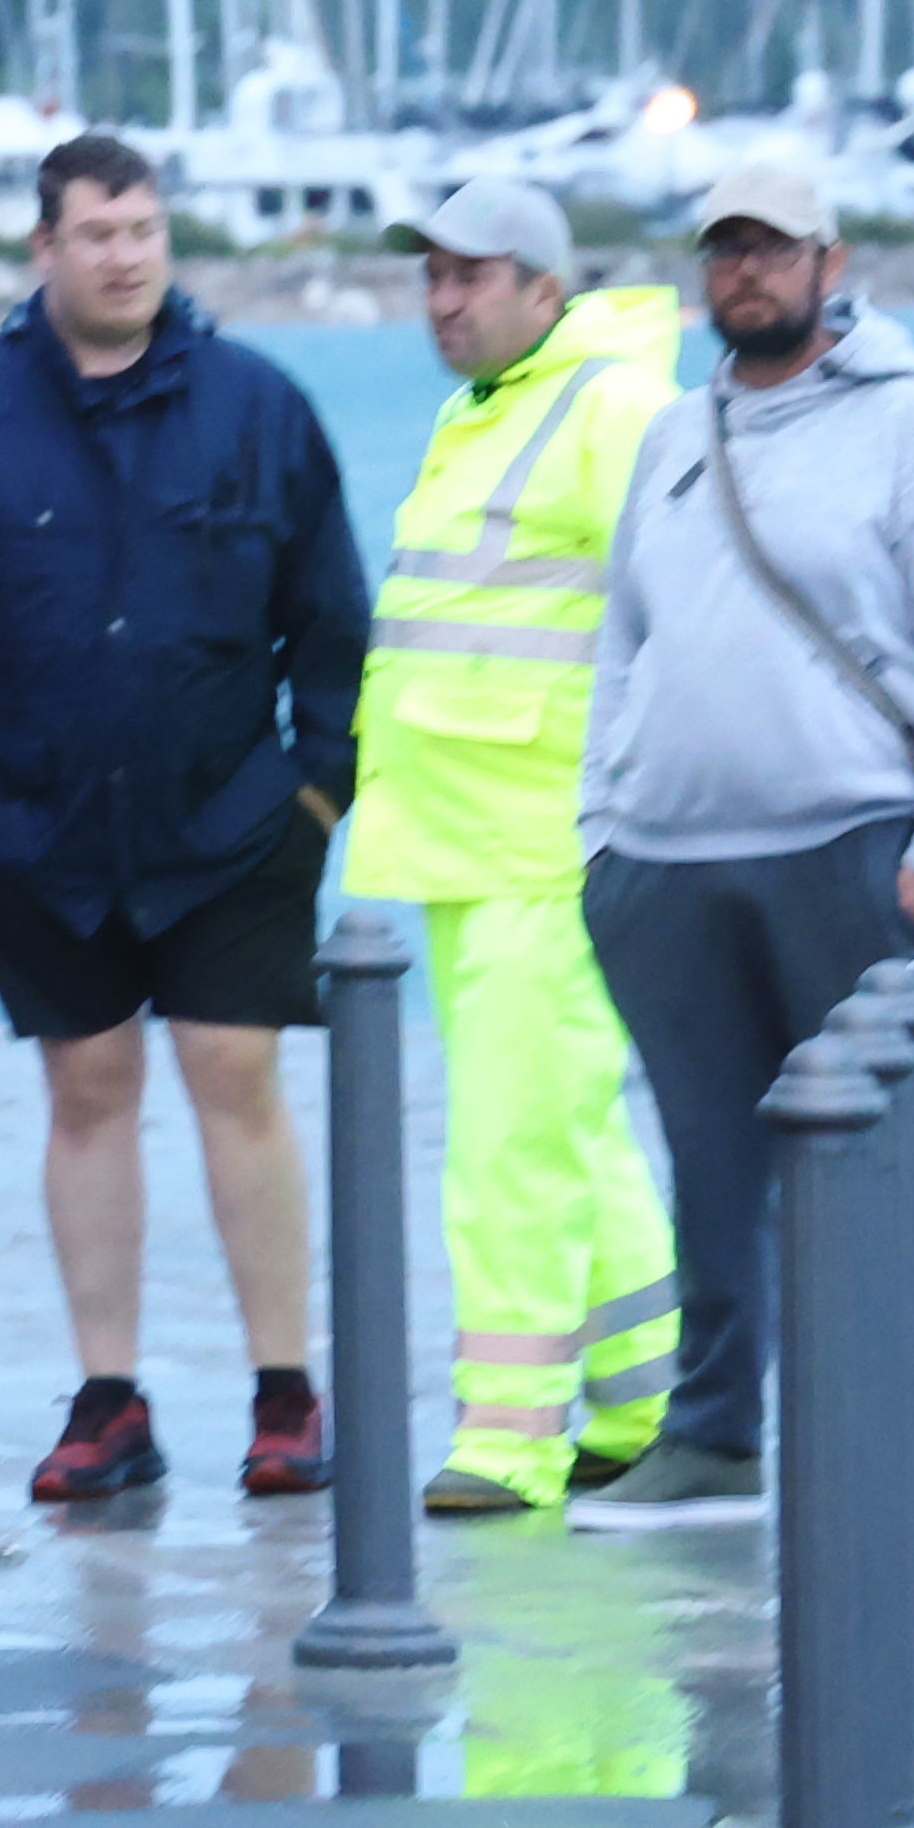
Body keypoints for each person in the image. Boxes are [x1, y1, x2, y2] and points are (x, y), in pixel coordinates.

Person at [0, 132, 377, 1505]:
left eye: (144, 228)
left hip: (234, 822)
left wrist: (317, 791)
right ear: (44, 249)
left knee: (234, 1074)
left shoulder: (259, 407)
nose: (126, 253)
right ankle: (110, 1400)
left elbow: (331, 616)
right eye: (97, 232)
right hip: (28, 834)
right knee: (87, 1093)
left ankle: (285, 1394)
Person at [579, 157, 914, 1511]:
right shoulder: (675, 438)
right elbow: (624, 641)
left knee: (896, 1150)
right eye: (724, 251)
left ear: (832, 265)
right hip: (666, 862)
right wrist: (605, 826)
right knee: (707, 1161)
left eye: (772, 250)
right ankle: (714, 1427)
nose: (746, 274)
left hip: (853, 849)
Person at [343, 168, 687, 1520]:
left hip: (548, 847)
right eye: (430, 275)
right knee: (567, 1127)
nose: (442, 299)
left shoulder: (608, 411)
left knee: (505, 1149)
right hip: (467, 845)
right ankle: (640, 1395)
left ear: (547, 290)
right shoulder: (488, 412)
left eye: (469, 276)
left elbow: (680, 607)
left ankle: (511, 1441)